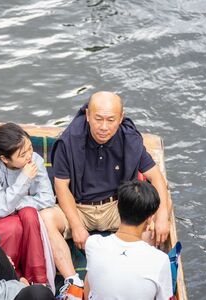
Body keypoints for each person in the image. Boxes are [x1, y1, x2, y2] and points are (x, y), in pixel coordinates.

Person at [40, 91, 171, 298]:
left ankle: (130, 275)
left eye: (111, 120)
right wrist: (76, 225)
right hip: (78, 206)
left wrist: (162, 216)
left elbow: (156, 178)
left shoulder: (129, 138)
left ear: (120, 117)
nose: (103, 127)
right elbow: (61, 186)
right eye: (98, 119)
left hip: (117, 207)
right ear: (88, 114)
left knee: (152, 226)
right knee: (45, 219)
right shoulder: (70, 139)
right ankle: (72, 280)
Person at [0, 123, 55, 285]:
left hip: (14, 210)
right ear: (5, 158)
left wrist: (14, 205)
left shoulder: (35, 161)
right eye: (22, 154)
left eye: (30, 148)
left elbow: (47, 198)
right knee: (13, 227)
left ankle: (37, 279)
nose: (29, 156)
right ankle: (10, 278)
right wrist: (24, 178)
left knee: (29, 214)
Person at [84, 180, 173, 300]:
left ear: (117, 208)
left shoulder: (93, 244)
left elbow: (89, 288)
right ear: (149, 219)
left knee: (89, 276)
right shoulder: (160, 260)